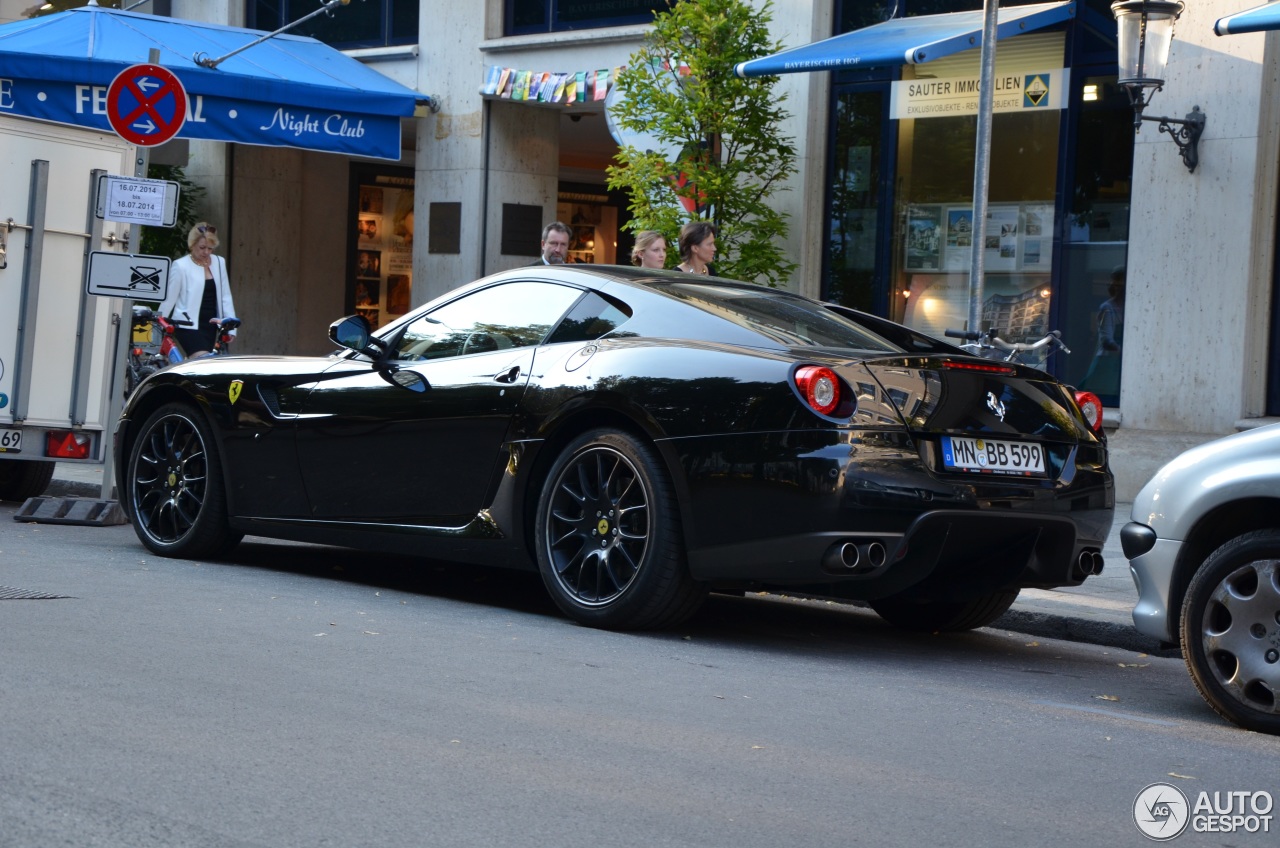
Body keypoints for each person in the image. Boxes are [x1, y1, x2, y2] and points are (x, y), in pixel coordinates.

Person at [157, 222, 237, 357]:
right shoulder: (180, 266)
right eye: (202, 247)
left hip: (211, 326)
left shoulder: (219, 262)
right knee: (203, 361)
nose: (206, 252)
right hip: (187, 325)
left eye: (210, 248)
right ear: (192, 245)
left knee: (203, 368)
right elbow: (169, 299)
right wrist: (159, 324)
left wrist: (231, 328)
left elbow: (225, 296)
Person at [1079, 266, 1125, 396]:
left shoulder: (1129, 307)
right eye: (1118, 284)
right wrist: (1123, 352)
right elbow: (1107, 340)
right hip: (1107, 362)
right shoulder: (1108, 308)